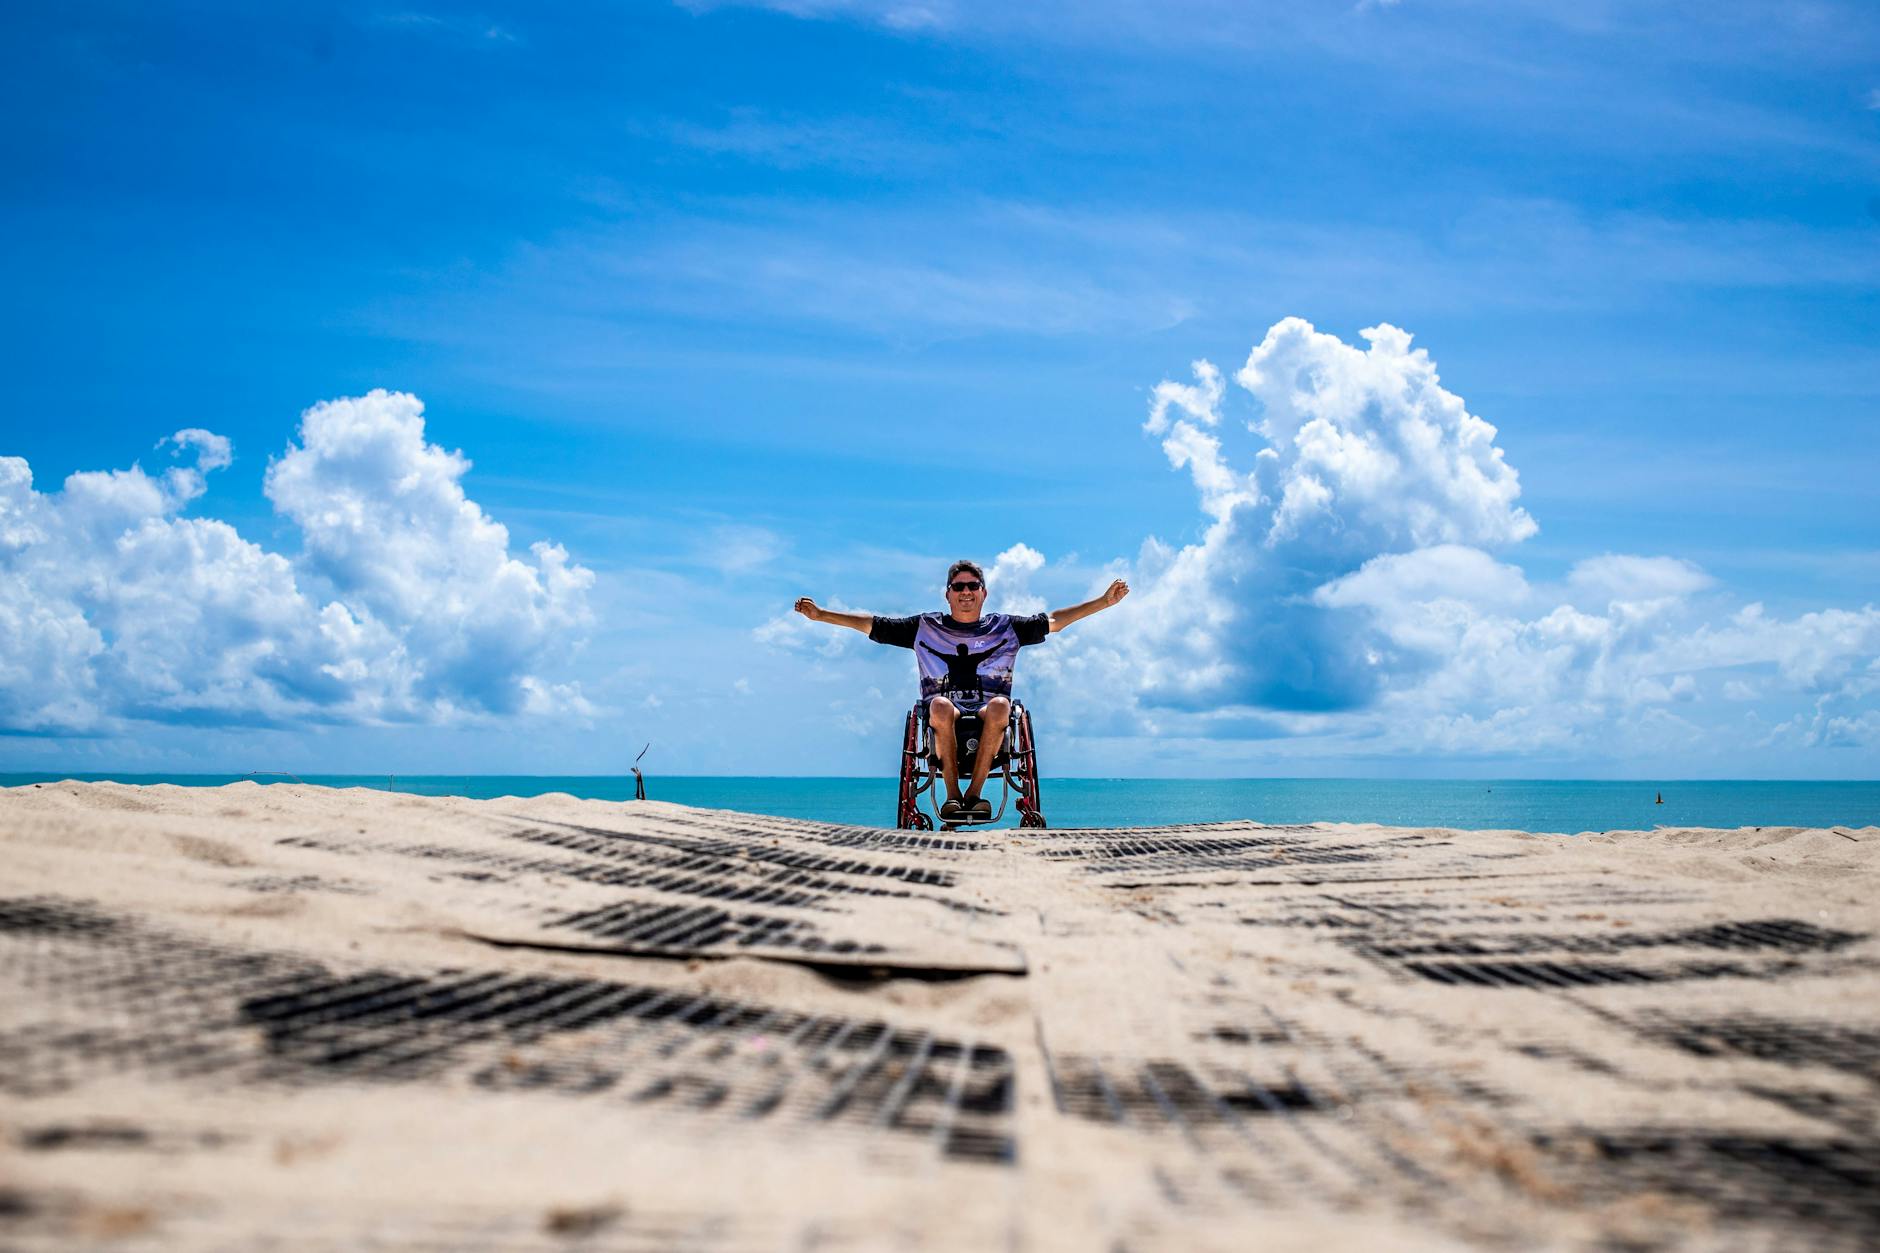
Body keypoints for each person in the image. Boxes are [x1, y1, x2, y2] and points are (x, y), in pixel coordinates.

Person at [794, 559, 1129, 821]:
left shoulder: (1005, 627)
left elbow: (1054, 621)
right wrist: (822, 615)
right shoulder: (926, 627)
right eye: (958, 587)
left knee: (1001, 705)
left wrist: (1103, 602)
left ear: (984, 592)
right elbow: (873, 625)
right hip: (943, 713)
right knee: (938, 706)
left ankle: (974, 795)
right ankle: (953, 796)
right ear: (948, 593)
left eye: (973, 586)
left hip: (990, 715)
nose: (966, 592)